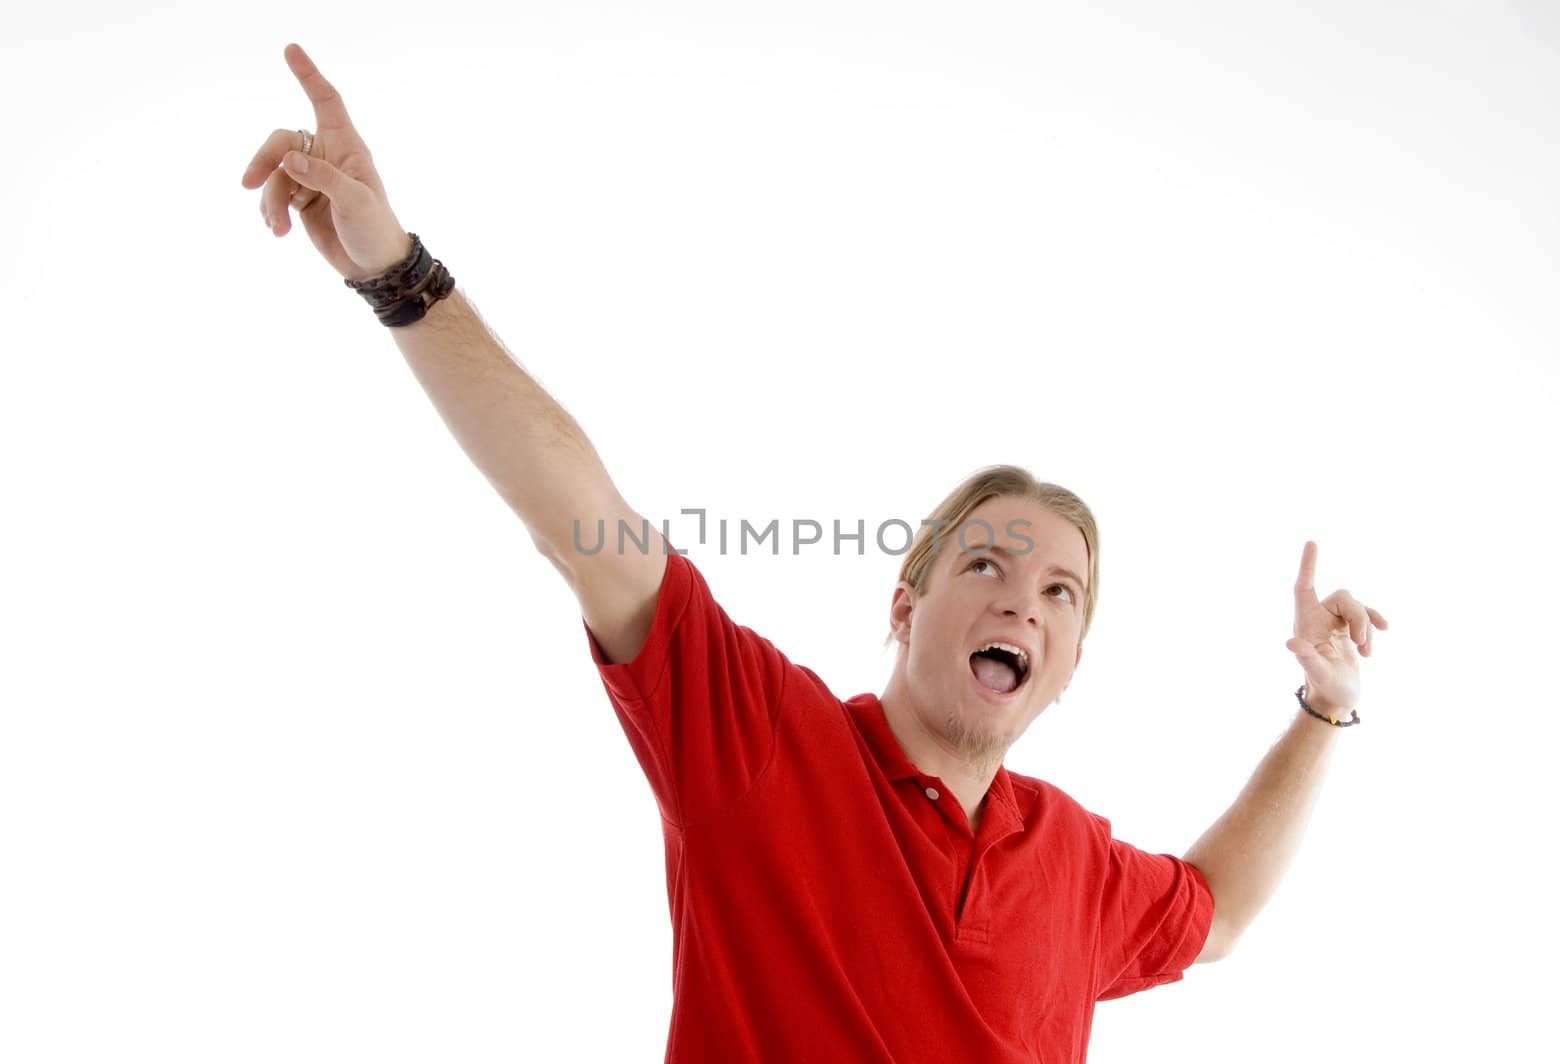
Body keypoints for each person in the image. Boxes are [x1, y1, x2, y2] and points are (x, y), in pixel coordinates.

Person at [243, 43, 1390, 1063]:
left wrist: (1321, 706)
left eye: (1059, 592)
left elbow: (1218, 913)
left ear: (1073, 663)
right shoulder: (760, 740)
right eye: (984, 565)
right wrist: (397, 272)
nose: (1023, 604)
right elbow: (577, 517)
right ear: (905, 601)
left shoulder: (1073, 862)